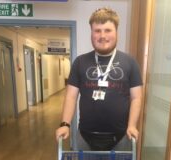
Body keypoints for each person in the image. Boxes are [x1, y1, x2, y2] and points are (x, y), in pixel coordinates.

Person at [55, 7, 142, 151]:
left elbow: (136, 98)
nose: (102, 35)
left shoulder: (130, 62)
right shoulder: (80, 62)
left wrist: (132, 125)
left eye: (108, 30)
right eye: (97, 30)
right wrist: (65, 124)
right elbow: (71, 96)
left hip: (120, 138)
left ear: (116, 32)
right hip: (85, 137)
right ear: (91, 33)